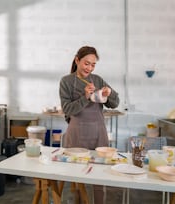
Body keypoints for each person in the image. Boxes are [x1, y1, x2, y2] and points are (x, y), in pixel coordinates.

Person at [59, 46, 120, 204]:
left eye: (93, 65)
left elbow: (115, 103)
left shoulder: (98, 79)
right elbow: (67, 109)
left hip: (98, 132)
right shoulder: (66, 81)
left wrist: (109, 93)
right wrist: (86, 97)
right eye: (87, 63)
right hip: (77, 133)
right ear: (77, 60)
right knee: (77, 174)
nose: (90, 68)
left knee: (100, 175)